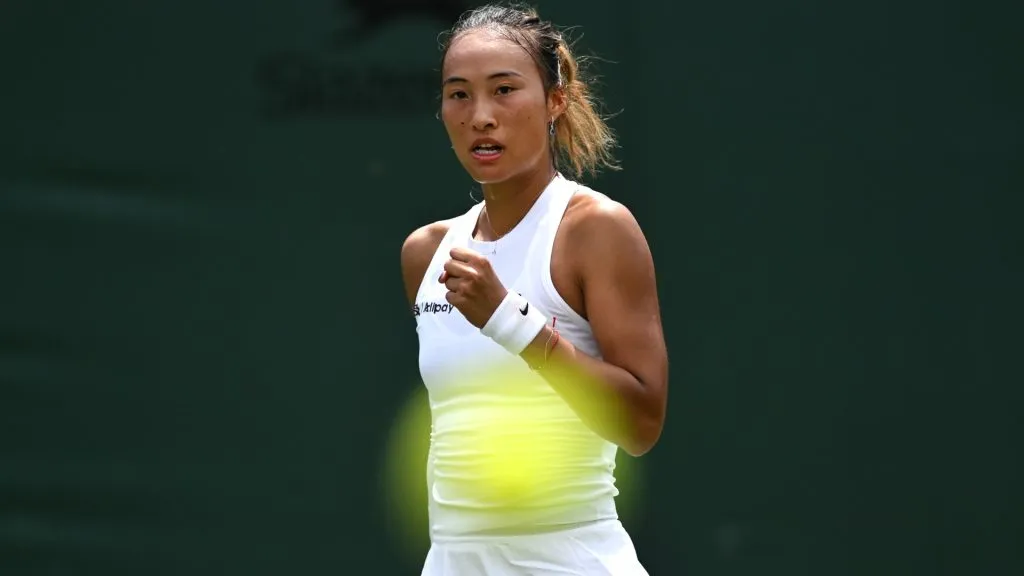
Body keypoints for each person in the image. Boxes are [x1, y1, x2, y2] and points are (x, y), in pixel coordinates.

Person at [400, 4, 668, 574]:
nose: (481, 116)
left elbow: (642, 425)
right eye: (459, 95)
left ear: (555, 100)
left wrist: (511, 322)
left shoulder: (596, 229)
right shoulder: (425, 253)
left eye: (504, 90)